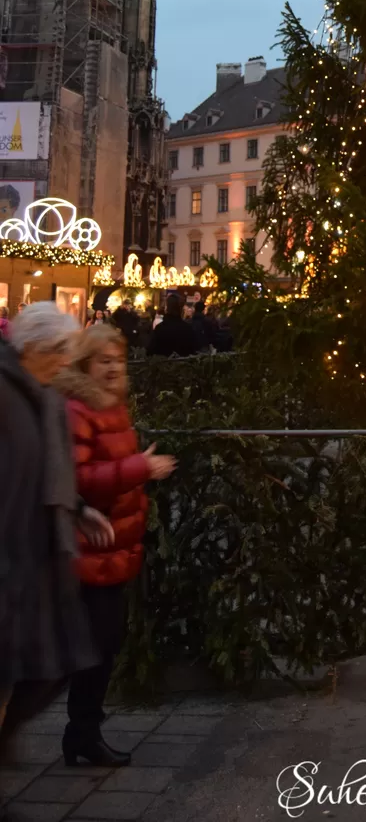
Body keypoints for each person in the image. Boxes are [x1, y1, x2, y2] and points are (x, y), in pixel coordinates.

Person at [54, 324, 176, 766]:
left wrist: (138, 470)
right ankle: (79, 732)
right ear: (86, 362)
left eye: (118, 360)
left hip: (111, 549)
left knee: (103, 644)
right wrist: (138, 469)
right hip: (89, 549)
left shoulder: (111, 405)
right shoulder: (78, 409)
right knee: (93, 645)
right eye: (104, 360)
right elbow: (77, 479)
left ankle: (82, 731)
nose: (112, 368)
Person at [0, 306, 114, 752]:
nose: (67, 361)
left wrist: (79, 507)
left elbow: (51, 468)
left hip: (36, 556)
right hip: (10, 559)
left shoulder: (42, 392)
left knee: (52, 666)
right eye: (60, 351)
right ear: (31, 349)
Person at [146, 293, 198, 357]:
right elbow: (193, 350)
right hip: (183, 365)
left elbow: (151, 351)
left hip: (163, 365)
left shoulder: (160, 328)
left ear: (167, 308)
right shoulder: (187, 328)